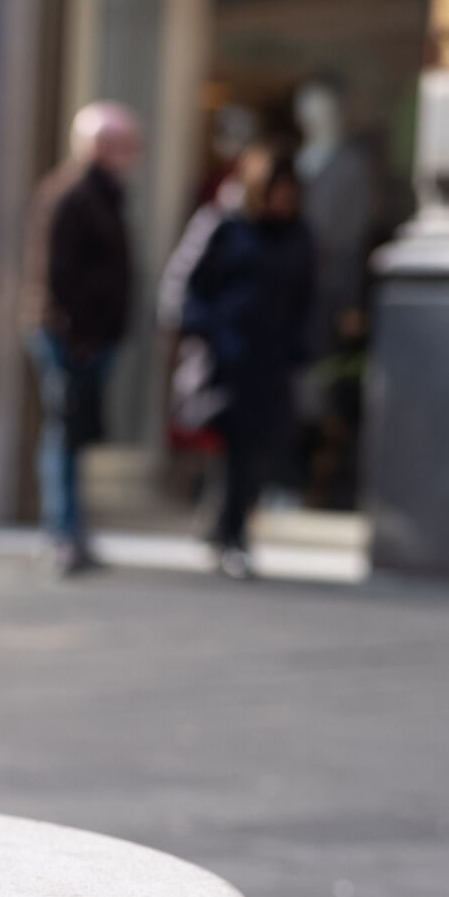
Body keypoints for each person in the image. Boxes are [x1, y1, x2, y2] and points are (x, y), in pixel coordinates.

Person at [181, 146, 315, 579]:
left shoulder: (298, 236)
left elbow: (306, 298)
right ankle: (230, 533)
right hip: (229, 355)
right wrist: (207, 333)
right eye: (277, 190)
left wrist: (302, 346)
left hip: (272, 360)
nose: (284, 199)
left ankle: (224, 526)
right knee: (234, 448)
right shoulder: (223, 224)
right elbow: (188, 285)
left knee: (256, 451)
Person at [20, 100, 140, 575]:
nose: (130, 156)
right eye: (122, 146)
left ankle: (72, 530)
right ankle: (61, 533)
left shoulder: (105, 194)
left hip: (91, 336)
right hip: (70, 337)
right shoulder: (71, 194)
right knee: (65, 433)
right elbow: (57, 274)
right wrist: (77, 334)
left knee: (74, 434)